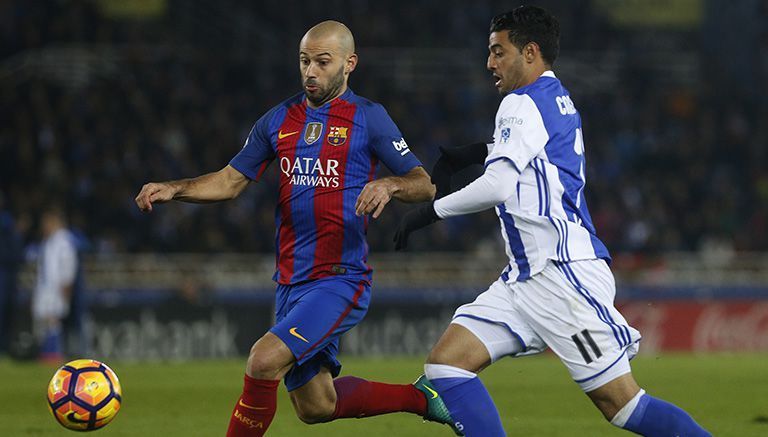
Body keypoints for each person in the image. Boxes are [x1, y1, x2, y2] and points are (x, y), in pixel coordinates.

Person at [395, 6, 711, 437]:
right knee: (446, 364)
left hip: (560, 274)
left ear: (530, 52)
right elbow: (532, 155)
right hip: (524, 279)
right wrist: (471, 154)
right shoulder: (555, 97)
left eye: (498, 51)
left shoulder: (519, 103)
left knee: (623, 406)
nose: (490, 62)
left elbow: (500, 184)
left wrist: (427, 212)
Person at [135, 20, 459, 437]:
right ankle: (422, 398)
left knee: (262, 360)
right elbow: (231, 180)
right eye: (305, 61)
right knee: (316, 406)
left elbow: (425, 184)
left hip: (340, 278)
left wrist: (390, 183)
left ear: (349, 63)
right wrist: (175, 188)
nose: (311, 72)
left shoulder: (369, 119)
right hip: (290, 281)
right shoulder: (278, 120)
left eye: (323, 62)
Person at [33, 206, 82, 363]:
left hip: (57, 290)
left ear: (54, 222)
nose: (44, 226)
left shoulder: (64, 241)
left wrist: (65, 289)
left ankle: (54, 355)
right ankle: (48, 354)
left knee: (54, 323)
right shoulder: (49, 240)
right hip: (46, 289)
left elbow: (68, 266)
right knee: (47, 323)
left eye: (46, 222)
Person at [0, 195, 23, 357]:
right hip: (7, 273)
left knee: (5, 311)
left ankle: (4, 347)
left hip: (6, 273)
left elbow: (15, 253)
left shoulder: (6, 222)